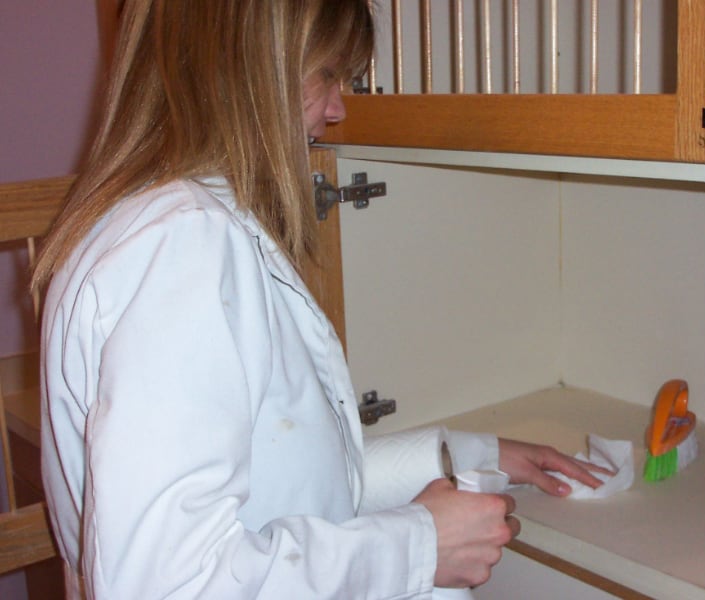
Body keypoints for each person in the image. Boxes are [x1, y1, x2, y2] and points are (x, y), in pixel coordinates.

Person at [32, 1, 608, 598]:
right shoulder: (182, 248)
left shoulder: (172, 225)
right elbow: (170, 585)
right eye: (327, 73)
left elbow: (289, 485)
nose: (337, 109)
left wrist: (466, 454)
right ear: (248, 65)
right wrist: (417, 546)